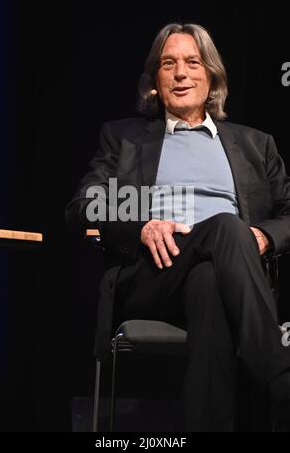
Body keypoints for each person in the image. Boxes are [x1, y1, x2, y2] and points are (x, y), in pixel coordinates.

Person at [66, 22, 290, 431]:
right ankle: (281, 377)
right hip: (152, 274)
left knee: (208, 278)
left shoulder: (256, 144)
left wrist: (264, 236)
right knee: (224, 226)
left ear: (212, 76)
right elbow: (83, 206)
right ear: (155, 80)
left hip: (223, 274)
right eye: (169, 64)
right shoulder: (124, 138)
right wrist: (141, 228)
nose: (181, 73)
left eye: (192, 62)